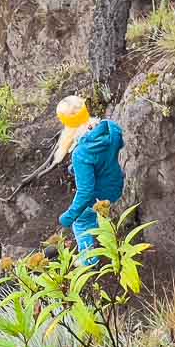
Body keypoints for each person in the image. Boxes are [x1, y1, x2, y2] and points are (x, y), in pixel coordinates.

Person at [55, 96, 125, 259]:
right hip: (116, 183)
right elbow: (116, 147)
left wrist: (69, 216)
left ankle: (89, 261)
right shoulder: (111, 128)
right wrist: (79, 168)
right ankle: (105, 234)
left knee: (81, 222)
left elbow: (86, 192)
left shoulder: (81, 154)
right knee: (95, 217)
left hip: (101, 195)